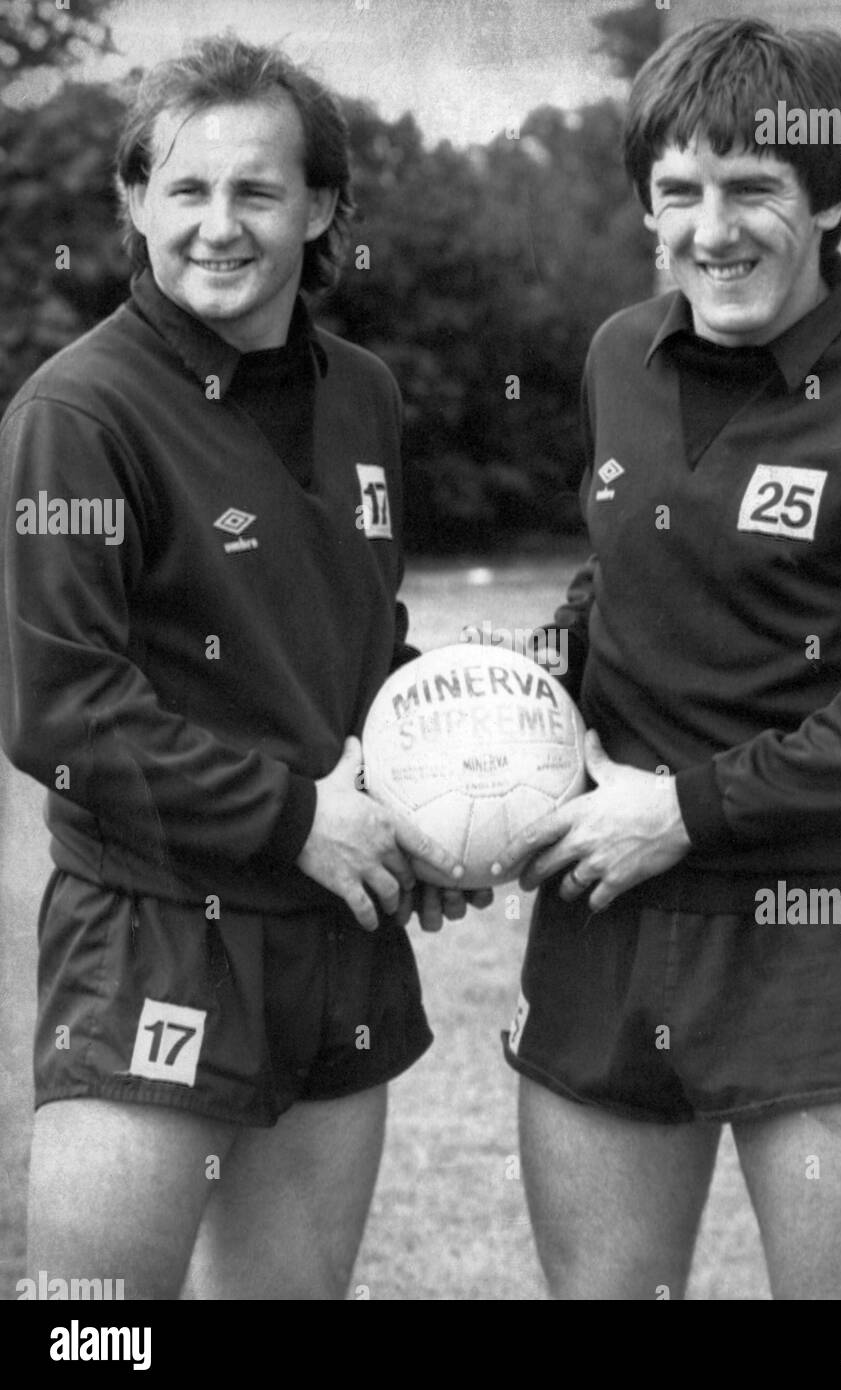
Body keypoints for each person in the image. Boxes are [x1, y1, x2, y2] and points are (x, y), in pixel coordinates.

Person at [494, 16, 841, 1300]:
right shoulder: (620, 353)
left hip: (815, 929)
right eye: (676, 191)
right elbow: (621, 574)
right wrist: (523, 688)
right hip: (606, 915)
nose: (709, 229)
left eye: (753, 190)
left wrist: (683, 810)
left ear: (830, 197)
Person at [0, 33, 482, 1301]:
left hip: (336, 933)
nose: (219, 225)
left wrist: (430, 794)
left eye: (256, 191)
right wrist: (295, 819)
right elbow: (62, 709)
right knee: (92, 1337)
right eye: (186, 190)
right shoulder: (77, 415)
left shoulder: (365, 394)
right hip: (158, 932)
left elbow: (361, 650)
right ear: (136, 205)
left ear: (319, 207)